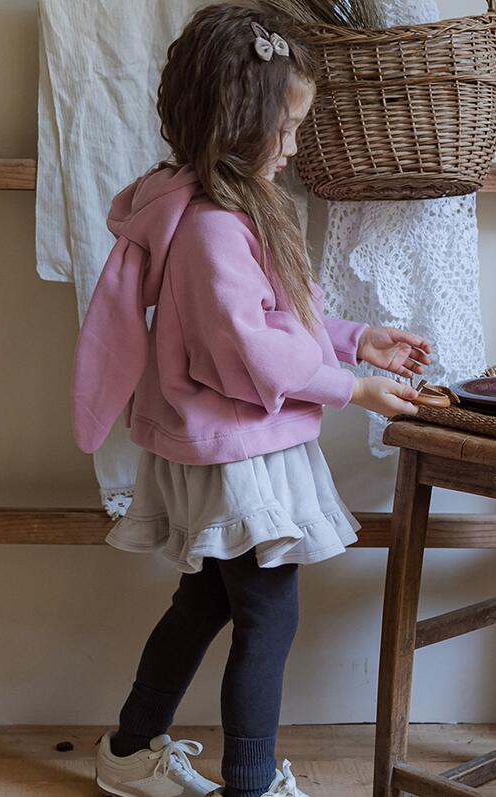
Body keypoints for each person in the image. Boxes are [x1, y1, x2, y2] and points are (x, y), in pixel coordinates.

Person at [70, 4, 431, 796]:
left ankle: (129, 751)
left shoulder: (228, 211)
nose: (294, 147)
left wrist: (356, 339)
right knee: (269, 613)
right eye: (287, 128)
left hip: (230, 444)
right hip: (237, 449)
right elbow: (248, 351)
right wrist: (351, 388)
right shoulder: (211, 228)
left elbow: (273, 320)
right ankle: (251, 782)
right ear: (237, 123)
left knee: (206, 600)